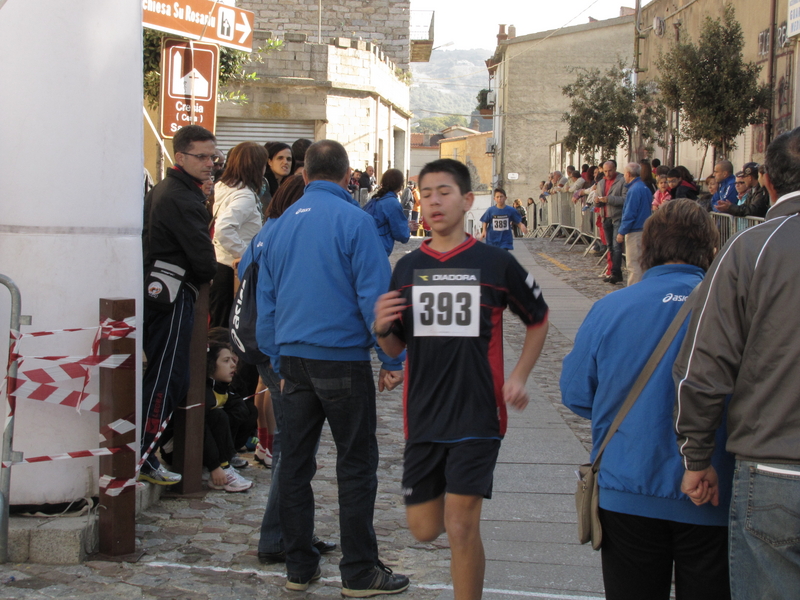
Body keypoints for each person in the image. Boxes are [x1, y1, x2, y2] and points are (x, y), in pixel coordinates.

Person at [373, 158, 549, 600]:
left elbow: (539, 318)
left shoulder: (495, 263)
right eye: (425, 193)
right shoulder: (406, 269)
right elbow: (396, 347)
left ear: (468, 201)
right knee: (424, 528)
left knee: (460, 524)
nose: (433, 201)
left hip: (478, 413)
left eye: (444, 192)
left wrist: (520, 376)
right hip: (424, 415)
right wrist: (380, 329)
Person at [255, 140, 409, 596]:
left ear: (303, 176)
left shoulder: (277, 228)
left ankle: (300, 567)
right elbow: (375, 300)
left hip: (294, 361)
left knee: (296, 465)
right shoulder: (356, 222)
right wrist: (392, 359)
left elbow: (267, 304)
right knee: (356, 464)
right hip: (341, 359)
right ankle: (359, 570)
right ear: (346, 177)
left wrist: (277, 359)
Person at [562, 199, 731, 600]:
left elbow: (576, 392)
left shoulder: (610, 308)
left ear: (646, 249)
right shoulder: (727, 310)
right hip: (711, 488)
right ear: (710, 250)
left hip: (628, 485)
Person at [673, 128, 800, 599]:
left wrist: (696, 456)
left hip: (775, 471)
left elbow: (701, 368)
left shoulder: (750, 249)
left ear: (766, 182)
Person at [238, 174, 337, 565]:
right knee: (296, 448)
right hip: (280, 348)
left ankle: (291, 531)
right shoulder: (285, 233)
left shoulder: (267, 232)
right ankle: (278, 536)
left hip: (267, 346)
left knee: (294, 446)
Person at [140, 125, 218, 485]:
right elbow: (204, 263)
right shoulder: (181, 198)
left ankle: (146, 451)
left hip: (162, 289)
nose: (209, 163)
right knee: (168, 376)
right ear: (180, 157)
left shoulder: (169, 190)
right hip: (172, 294)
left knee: (169, 374)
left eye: (212, 156)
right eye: (201, 156)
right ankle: (144, 453)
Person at [209, 142, 267, 328]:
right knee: (226, 326)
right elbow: (224, 229)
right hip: (229, 269)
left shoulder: (225, 188)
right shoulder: (245, 196)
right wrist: (244, 254)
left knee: (219, 322)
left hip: (220, 264)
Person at [204, 338, 254, 493]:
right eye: (226, 361)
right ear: (211, 365)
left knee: (248, 410)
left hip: (210, 446)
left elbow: (241, 409)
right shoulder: (202, 391)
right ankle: (221, 467)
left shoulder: (223, 386)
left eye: (233, 360)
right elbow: (200, 430)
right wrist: (215, 465)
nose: (233, 365)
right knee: (218, 417)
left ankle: (227, 458)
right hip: (180, 449)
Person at [617, 162, 653, 286]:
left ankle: (633, 289)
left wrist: (622, 231)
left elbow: (630, 213)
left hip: (635, 230)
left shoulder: (634, 190)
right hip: (644, 228)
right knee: (642, 263)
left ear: (628, 174)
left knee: (633, 264)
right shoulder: (644, 187)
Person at [594, 161, 626, 285]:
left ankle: (616, 272)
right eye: (605, 171)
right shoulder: (601, 182)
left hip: (617, 216)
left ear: (615, 169)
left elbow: (625, 199)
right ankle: (612, 270)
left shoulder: (622, 181)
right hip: (605, 216)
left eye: (610, 171)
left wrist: (609, 199)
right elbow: (597, 200)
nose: (607, 173)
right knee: (610, 247)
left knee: (617, 246)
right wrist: (597, 201)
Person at [367, 168, 411, 255]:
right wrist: (408, 228)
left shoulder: (375, 199)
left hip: (368, 245)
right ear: (400, 185)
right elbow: (401, 234)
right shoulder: (392, 203)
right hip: (379, 249)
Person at [261, 142, 293, 207]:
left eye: (289, 159)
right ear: (269, 162)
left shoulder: (290, 184)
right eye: (280, 158)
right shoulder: (263, 183)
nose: (285, 162)